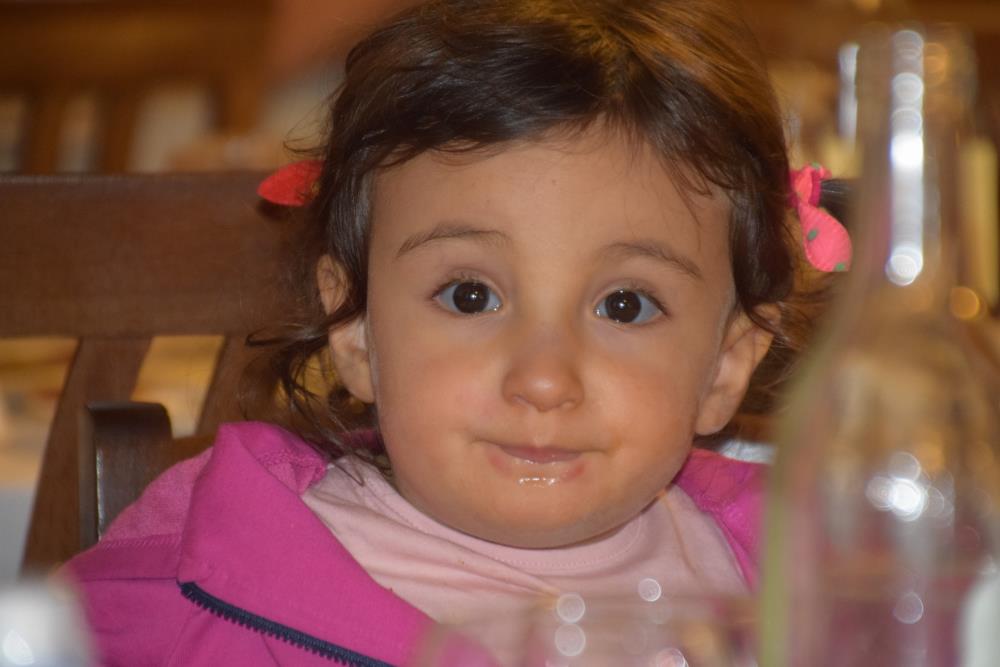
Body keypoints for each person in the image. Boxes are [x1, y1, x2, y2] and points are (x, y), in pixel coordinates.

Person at [63, 0, 850, 665]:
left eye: (624, 306)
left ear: (725, 364)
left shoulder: (817, 587)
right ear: (356, 328)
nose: (543, 379)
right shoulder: (196, 606)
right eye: (471, 295)